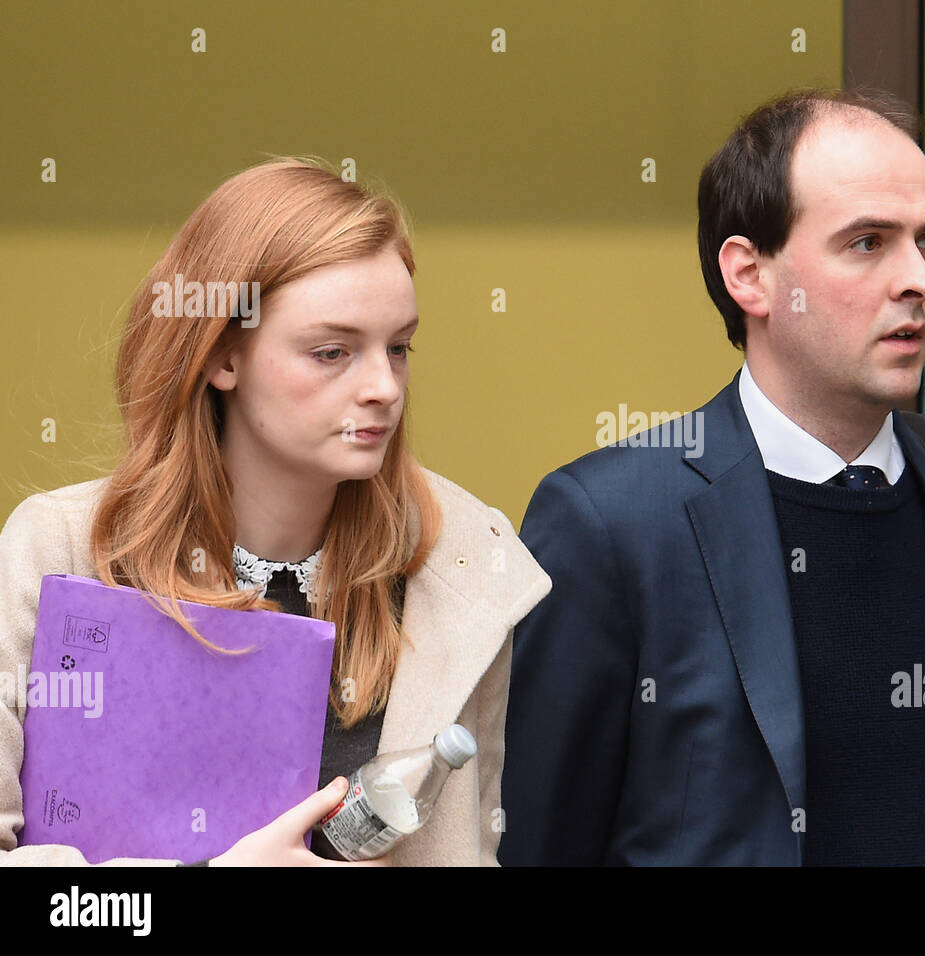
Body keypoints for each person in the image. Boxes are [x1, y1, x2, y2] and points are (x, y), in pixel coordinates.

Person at [498, 89, 925, 865]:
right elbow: (540, 842)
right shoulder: (611, 521)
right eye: (868, 242)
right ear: (751, 276)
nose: (919, 278)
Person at [0, 158, 550, 866]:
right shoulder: (59, 551)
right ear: (223, 356)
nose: (384, 386)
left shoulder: (465, 564)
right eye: (332, 352)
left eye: (400, 347)